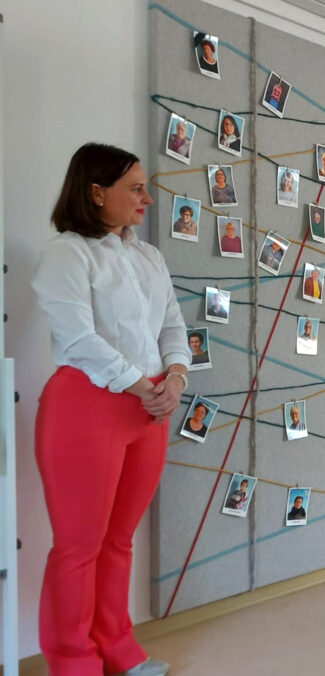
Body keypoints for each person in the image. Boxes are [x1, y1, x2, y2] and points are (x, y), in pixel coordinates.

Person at [32, 145, 189, 676]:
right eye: (135, 188)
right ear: (96, 192)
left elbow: (171, 325)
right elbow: (76, 337)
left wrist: (177, 375)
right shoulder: (67, 254)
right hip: (86, 406)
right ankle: (74, 664)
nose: (147, 197)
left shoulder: (148, 257)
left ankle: (119, 650)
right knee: (79, 547)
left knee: (119, 542)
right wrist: (140, 384)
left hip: (149, 410)